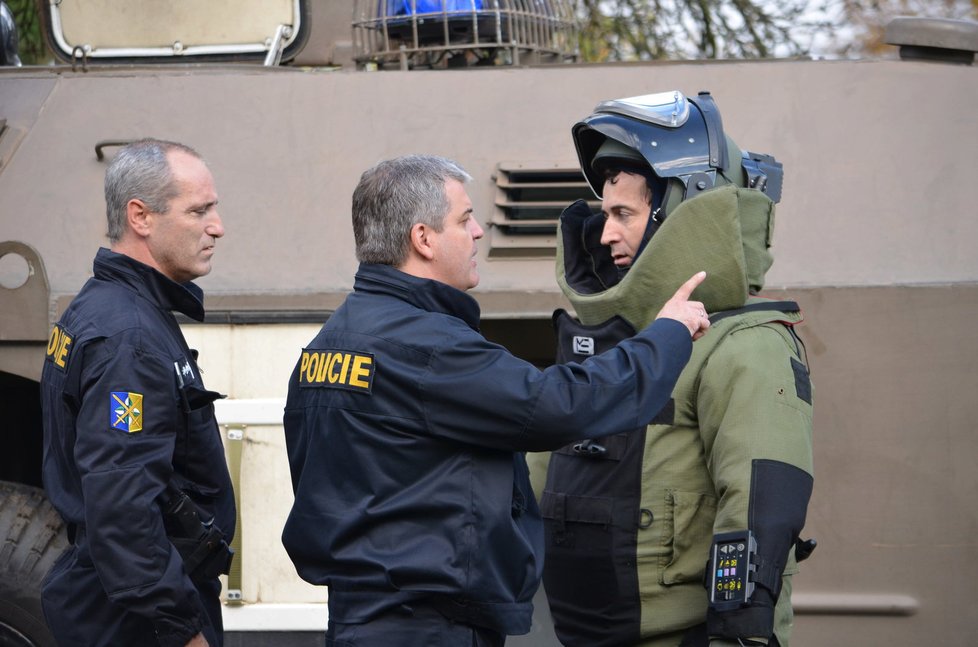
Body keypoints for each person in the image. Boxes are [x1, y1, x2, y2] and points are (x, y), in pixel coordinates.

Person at [281, 154, 711, 646]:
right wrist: (668, 333)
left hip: (360, 618)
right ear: (423, 239)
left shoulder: (330, 343)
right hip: (427, 626)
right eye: (464, 220)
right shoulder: (427, 347)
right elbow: (558, 404)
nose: (479, 232)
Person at [535, 90, 815, 646]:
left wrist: (739, 635)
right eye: (604, 215)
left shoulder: (744, 346)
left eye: (624, 214)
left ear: (680, 216)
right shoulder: (611, 343)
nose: (606, 233)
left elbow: (759, 511)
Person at [40, 139, 235, 647]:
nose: (217, 227)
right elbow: (123, 510)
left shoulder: (106, 307)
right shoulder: (129, 338)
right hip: (135, 621)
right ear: (141, 217)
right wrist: (182, 631)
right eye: (199, 211)